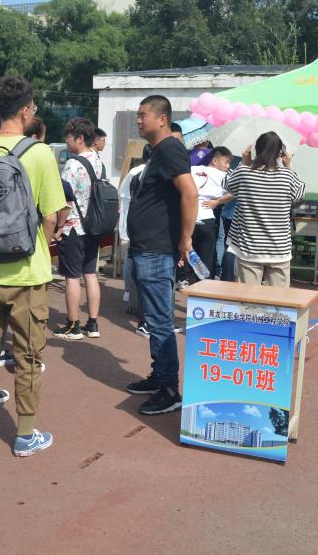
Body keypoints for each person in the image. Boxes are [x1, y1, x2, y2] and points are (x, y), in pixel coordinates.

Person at [0, 76, 65, 457]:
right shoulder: (40, 154)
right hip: (28, 274)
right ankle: (25, 435)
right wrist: (41, 244)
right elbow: (51, 216)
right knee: (28, 355)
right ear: (24, 111)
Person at [125, 95, 197, 415]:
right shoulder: (159, 151)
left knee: (159, 321)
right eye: (138, 115)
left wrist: (185, 239)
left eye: (144, 115)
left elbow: (190, 193)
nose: (138, 121)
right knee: (155, 320)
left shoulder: (169, 149)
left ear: (162, 119)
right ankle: (160, 376)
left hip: (156, 250)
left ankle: (169, 390)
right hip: (148, 248)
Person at [221, 132, 306, 287]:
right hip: (279, 250)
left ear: (257, 150)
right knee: (279, 300)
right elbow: (300, 193)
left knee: (248, 299)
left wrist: (244, 163)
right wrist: (289, 166)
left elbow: (227, 184)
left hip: (249, 249)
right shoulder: (287, 176)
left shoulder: (245, 173)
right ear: (280, 153)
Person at [52, 117, 105, 340]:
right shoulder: (98, 162)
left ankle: (73, 325)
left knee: (72, 277)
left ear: (80, 138)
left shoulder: (73, 165)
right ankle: (92, 323)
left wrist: (58, 227)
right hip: (94, 226)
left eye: (69, 137)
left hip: (73, 227)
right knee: (90, 274)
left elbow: (65, 202)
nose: (66, 141)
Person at [190, 146, 232, 281]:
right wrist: (217, 201)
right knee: (206, 256)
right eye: (226, 162)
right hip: (207, 218)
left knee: (190, 252)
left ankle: (186, 280)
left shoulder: (193, 169)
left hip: (189, 218)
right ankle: (204, 283)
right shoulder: (224, 176)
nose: (228, 166)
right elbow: (236, 191)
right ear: (215, 161)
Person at [119, 155, 149, 337]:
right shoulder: (144, 172)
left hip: (132, 223)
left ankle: (128, 293)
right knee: (135, 263)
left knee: (131, 259)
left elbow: (122, 195)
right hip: (140, 225)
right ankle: (132, 298)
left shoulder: (134, 172)